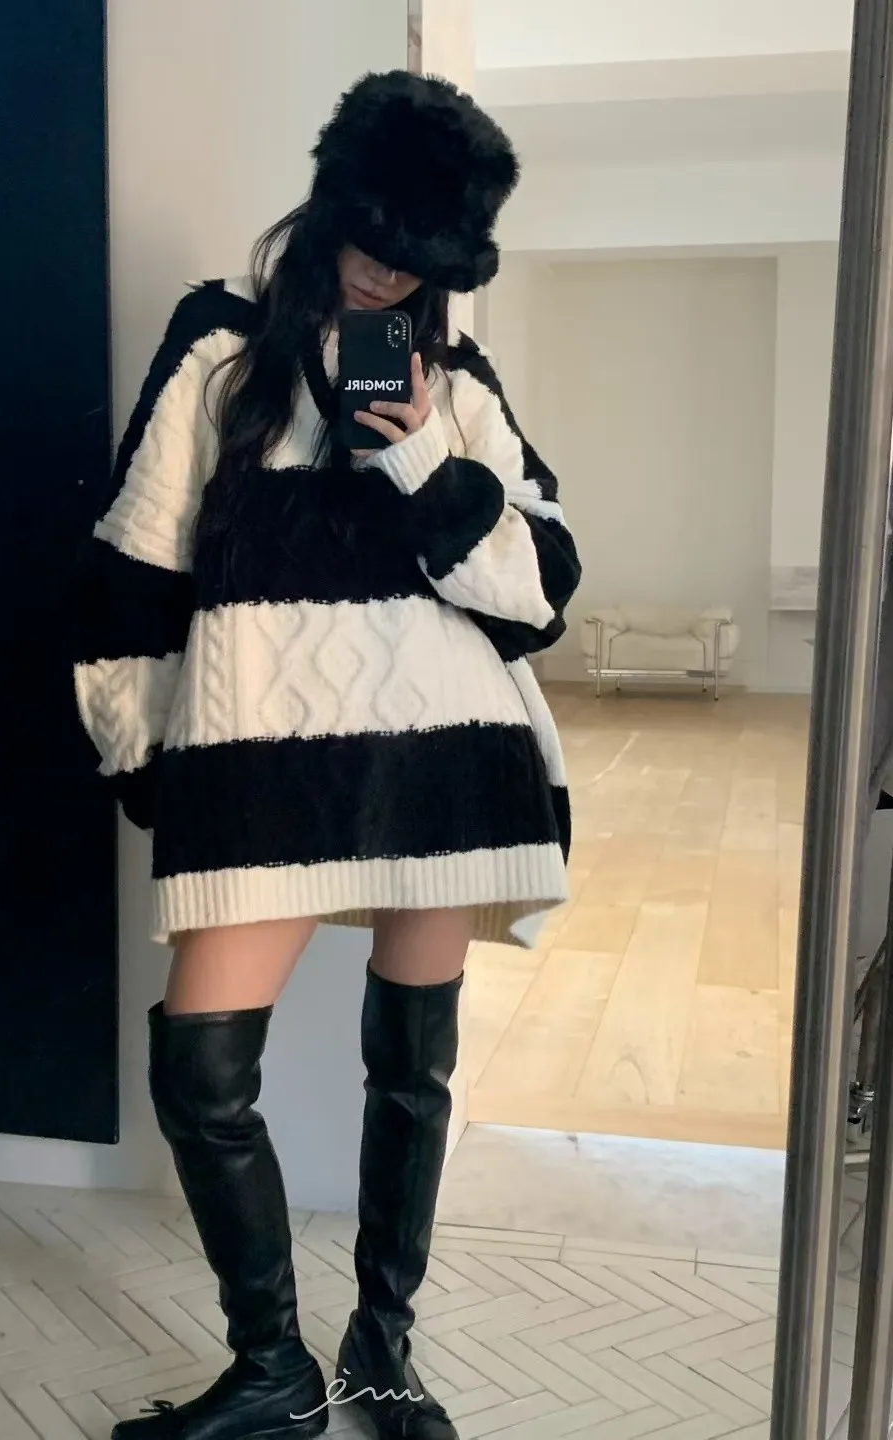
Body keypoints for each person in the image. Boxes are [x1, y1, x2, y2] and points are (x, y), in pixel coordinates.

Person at [75, 69, 580, 1440]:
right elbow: (132, 565)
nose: (387, 276)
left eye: (420, 261)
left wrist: (422, 465)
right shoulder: (219, 346)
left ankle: (379, 1351)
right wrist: (143, 754)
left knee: (412, 1071)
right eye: (374, 239)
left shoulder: (456, 386)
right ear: (328, 205)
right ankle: (274, 1368)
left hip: (444, 762)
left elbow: (540, 592)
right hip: (262, 764)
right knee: (200, 1073)